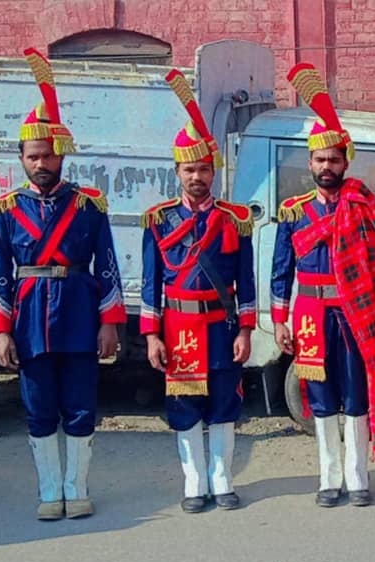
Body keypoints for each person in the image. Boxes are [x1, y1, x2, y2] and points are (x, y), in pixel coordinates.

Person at [0, 48, 125, 520]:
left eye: (48, 155)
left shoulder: (89, 207)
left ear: (60, 155)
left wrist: (111, 324)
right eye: (33, 156)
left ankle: (76, 488)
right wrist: (2, 331)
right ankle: (49, 492)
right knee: (40, 408)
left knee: (81, 407)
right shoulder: (4, 211)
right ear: (22, 159)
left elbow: (106, 266)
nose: (41, 163)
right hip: (28, 322)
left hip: (81, 317)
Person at [270, 63, 375, 508]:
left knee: (356, 392)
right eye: (319, 159)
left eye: (334, 159)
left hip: (354, 314)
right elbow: (280, 270)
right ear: (309, 162)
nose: (326, 166)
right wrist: (279, 322)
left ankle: (358, 476)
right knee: (321, 396)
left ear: (346, 161)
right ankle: (329, 477)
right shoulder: (294, 211)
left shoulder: (364, 206)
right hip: (309, 315)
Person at [141, 70, 256, 513]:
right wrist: (152, 335)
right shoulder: (159, 219)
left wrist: (246, 329)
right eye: (189, 169)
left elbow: (244, 281)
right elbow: (152, 282)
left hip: (219, 324)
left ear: (214, 170)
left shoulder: (234, 217)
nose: (197, 177)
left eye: (204, 168)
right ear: (177, 172)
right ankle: (193, 483)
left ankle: (222, 479)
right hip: (179, 324)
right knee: (185, 402)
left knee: (225, 400)